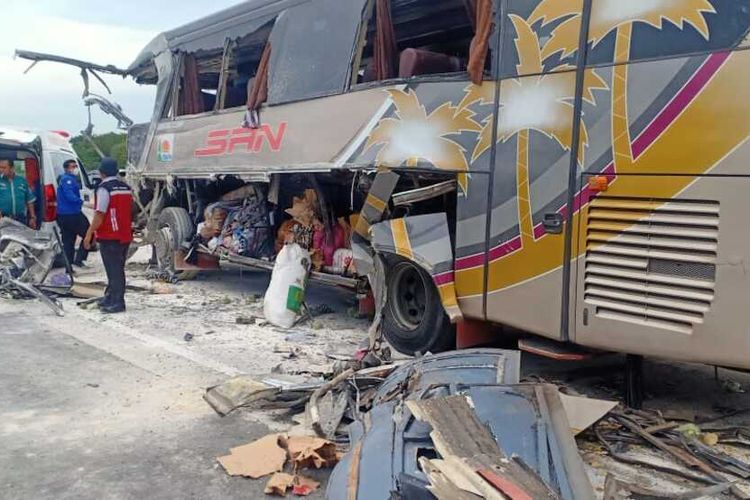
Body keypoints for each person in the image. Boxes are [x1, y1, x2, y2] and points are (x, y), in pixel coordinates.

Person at [84, 158, 132, 314]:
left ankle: (118, 302)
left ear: (101, 172)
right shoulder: (125, 187)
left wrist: (89, 233)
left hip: (110, 234)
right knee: (117, 268)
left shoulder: (104, 188)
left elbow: (99, 214)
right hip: (124, 233)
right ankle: (110, 297)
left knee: (114, 270)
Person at [56, 159, 90, 267]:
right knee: (89, 233)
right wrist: (83, 202)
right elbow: (69, 195)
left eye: (76, 166)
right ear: (66, 168)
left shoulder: (70, 179)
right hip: (71, 214)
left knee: (69, 240)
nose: (75, 169)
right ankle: (79, 259)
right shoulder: (67, 180)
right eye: (73, 167)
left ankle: (69, 265)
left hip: (66, 214)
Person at [0, 158, 37, 229]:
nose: (1, 170)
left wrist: (32, 217)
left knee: (20, 238)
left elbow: (29, 200)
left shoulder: (22, 181)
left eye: (4, 167)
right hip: (3, 218)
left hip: (20, 218)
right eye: (0, 167)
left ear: (12, 168)